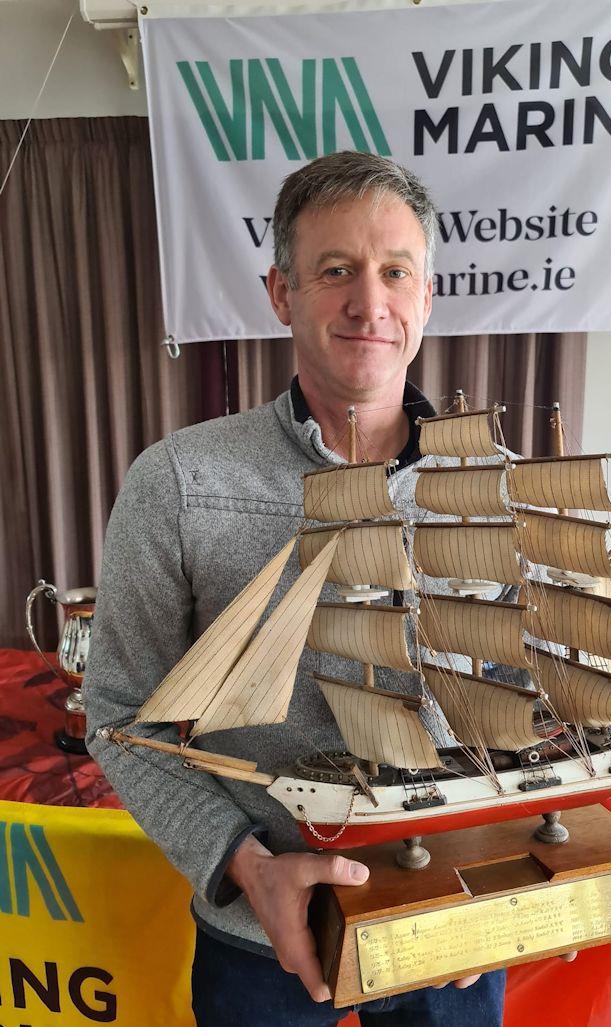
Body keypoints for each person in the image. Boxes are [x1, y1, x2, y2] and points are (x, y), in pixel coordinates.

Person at [84, 151, 509, 1027]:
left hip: (458, 914)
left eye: (396, 270)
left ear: (427, 296)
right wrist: (241, 861)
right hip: (258, 924)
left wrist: (533, 874)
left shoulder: (494, 485)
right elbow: (122, 719)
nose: (370, 302)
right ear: (280, 293)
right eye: (335, 271)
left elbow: (536, 703)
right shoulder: (177, 481)